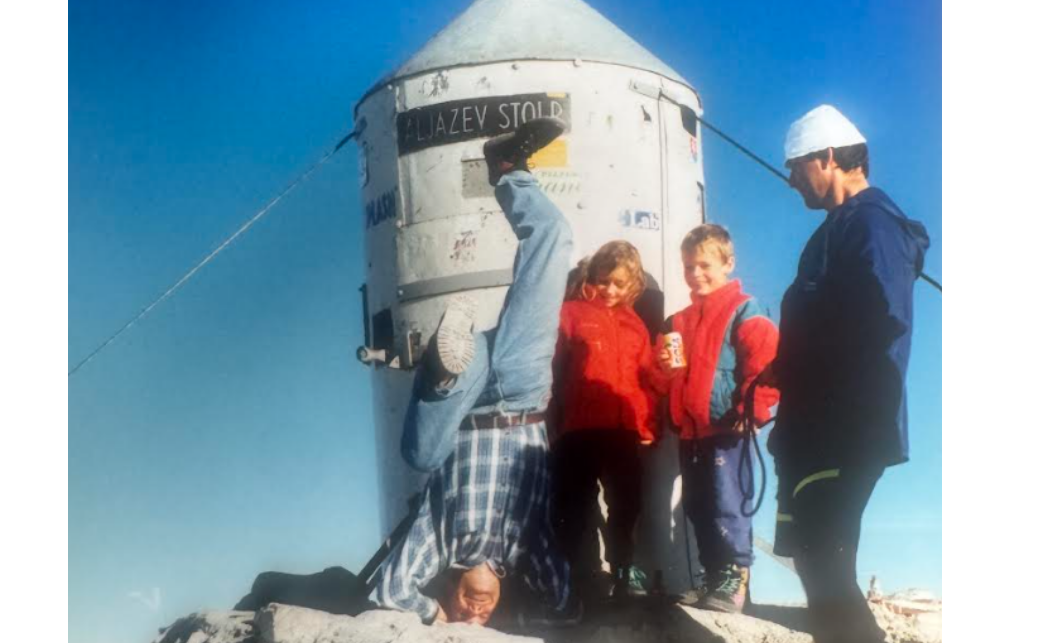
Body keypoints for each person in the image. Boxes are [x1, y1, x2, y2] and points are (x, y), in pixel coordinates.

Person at [367, 117, 579, 628]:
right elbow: (566, 603)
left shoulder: (438, 545)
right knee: (554, 239)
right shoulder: (528, 548)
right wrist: (541, 618)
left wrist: (435, 615)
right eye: (482, 618)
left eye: (466, 612)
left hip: (462, 405)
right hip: (521, 392)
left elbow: (389, 591)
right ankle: (509, 167)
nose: (474, 612)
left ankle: (443, 367)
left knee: (419, 455)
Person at [763, 104, 930, 643]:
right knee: (815, 564)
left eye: (794, 166)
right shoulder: (841, 229)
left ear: (828, 158)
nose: (789, 180)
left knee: (827, 564)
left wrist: (824, 376)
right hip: (815, 427)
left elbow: (880, 320)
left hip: (844, 426)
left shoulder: (872, 224)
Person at [656, 224, 779, 614]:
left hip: (728, 426)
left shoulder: (745, 307)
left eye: (705, 265)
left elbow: (765, 366)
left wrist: (754, 409)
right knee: (698, 505)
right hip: (692, 431)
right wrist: (661, 370)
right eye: (689, 266)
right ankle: (713, 578)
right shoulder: (678, 321)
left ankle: (734, 578)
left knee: (728, 503)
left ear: (728, 263)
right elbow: (665, 377)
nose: (696, 274)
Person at [549, 240, 663, 602]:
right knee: (575, 505)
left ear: (632, 285)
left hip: (623, 429)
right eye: (603, 281)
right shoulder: (570, 314)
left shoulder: (636, 326)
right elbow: (551, 368)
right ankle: (577, 577)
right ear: (591, 278)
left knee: (627, 502)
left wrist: (646, 425)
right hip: (578, 430)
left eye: (619, 283)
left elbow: (645, 380)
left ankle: (623, 569)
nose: (610, 290)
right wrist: (551, 424)